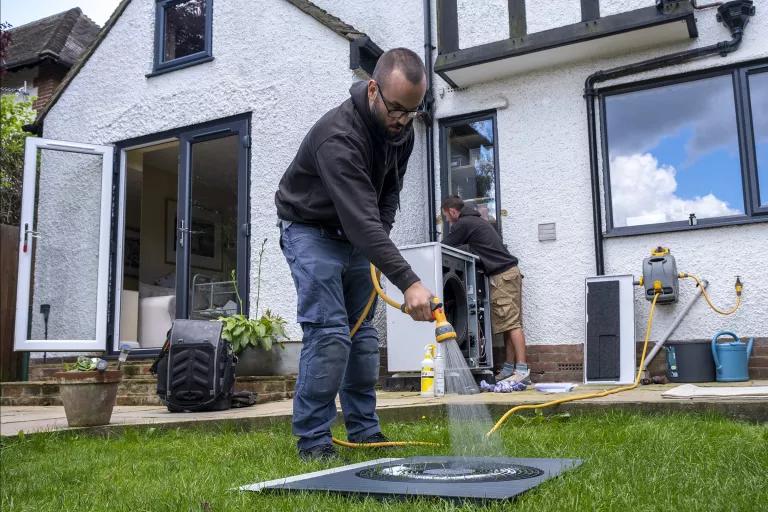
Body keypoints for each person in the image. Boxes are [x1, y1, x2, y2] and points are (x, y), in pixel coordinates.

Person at [275, 48, 435, 461]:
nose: (401, 120)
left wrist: (377, 242)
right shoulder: (339, 137)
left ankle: (365, 431)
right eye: (396, 108)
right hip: (310, 230)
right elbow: (361, 220)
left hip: (356, 236)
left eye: (411, 112)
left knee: (363, 338)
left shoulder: (403, 132)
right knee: (329, 334)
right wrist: (409, 281)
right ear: (372, 89)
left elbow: (388, 193)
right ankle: (313, 440)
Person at [440, 196, 530, 386]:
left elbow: (444, 246)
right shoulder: (477, 221)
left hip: (502, 276)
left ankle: (522, 370)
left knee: (511, 323)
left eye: (446, 216)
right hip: (510, 274)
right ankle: (508, 369)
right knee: (508, 323)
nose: (448, 221)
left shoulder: (463, 223)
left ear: (453, 211)